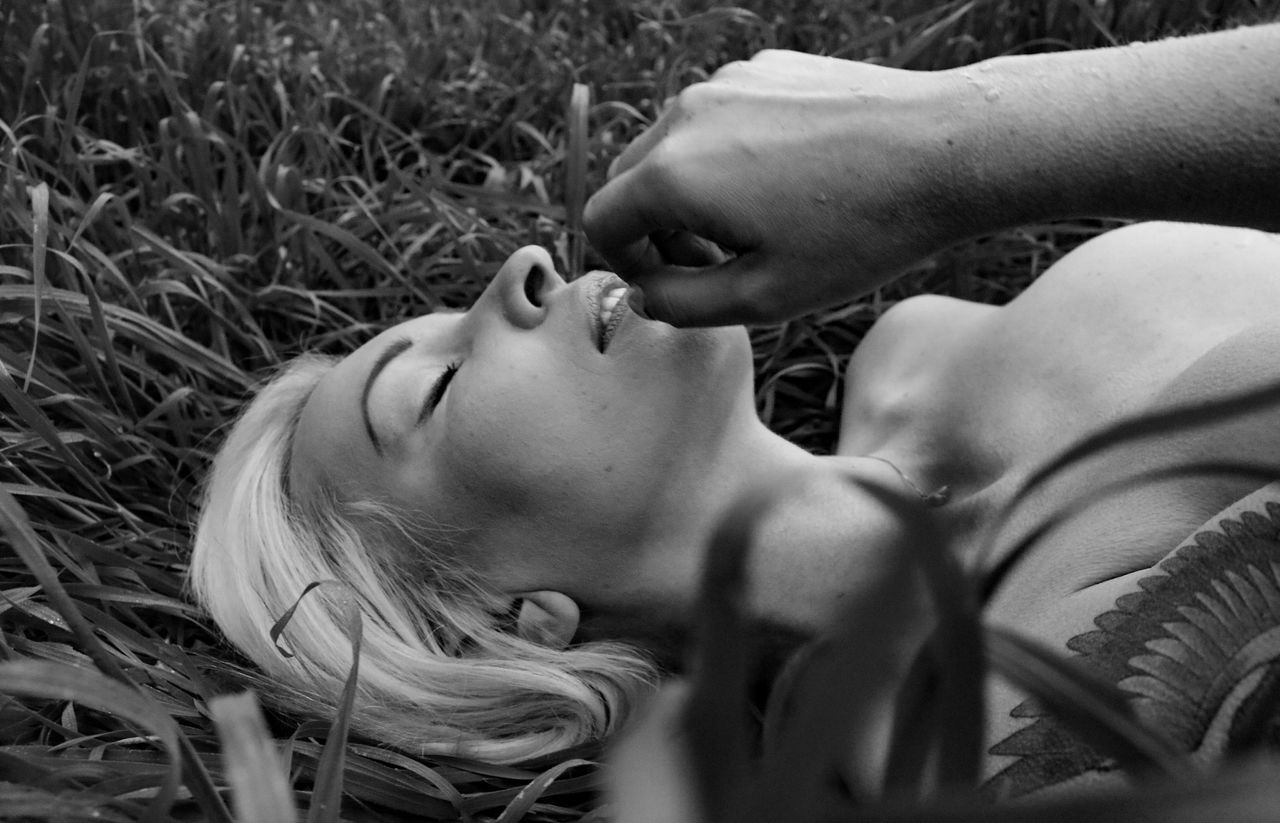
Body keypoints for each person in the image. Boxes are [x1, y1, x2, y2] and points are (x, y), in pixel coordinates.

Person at [189, 22, 1280, 797]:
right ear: (510, 624)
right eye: (430, 388)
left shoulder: (918, 358)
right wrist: (956, 144)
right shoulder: (1010, 737)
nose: (515, 269)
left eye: (440, 320)